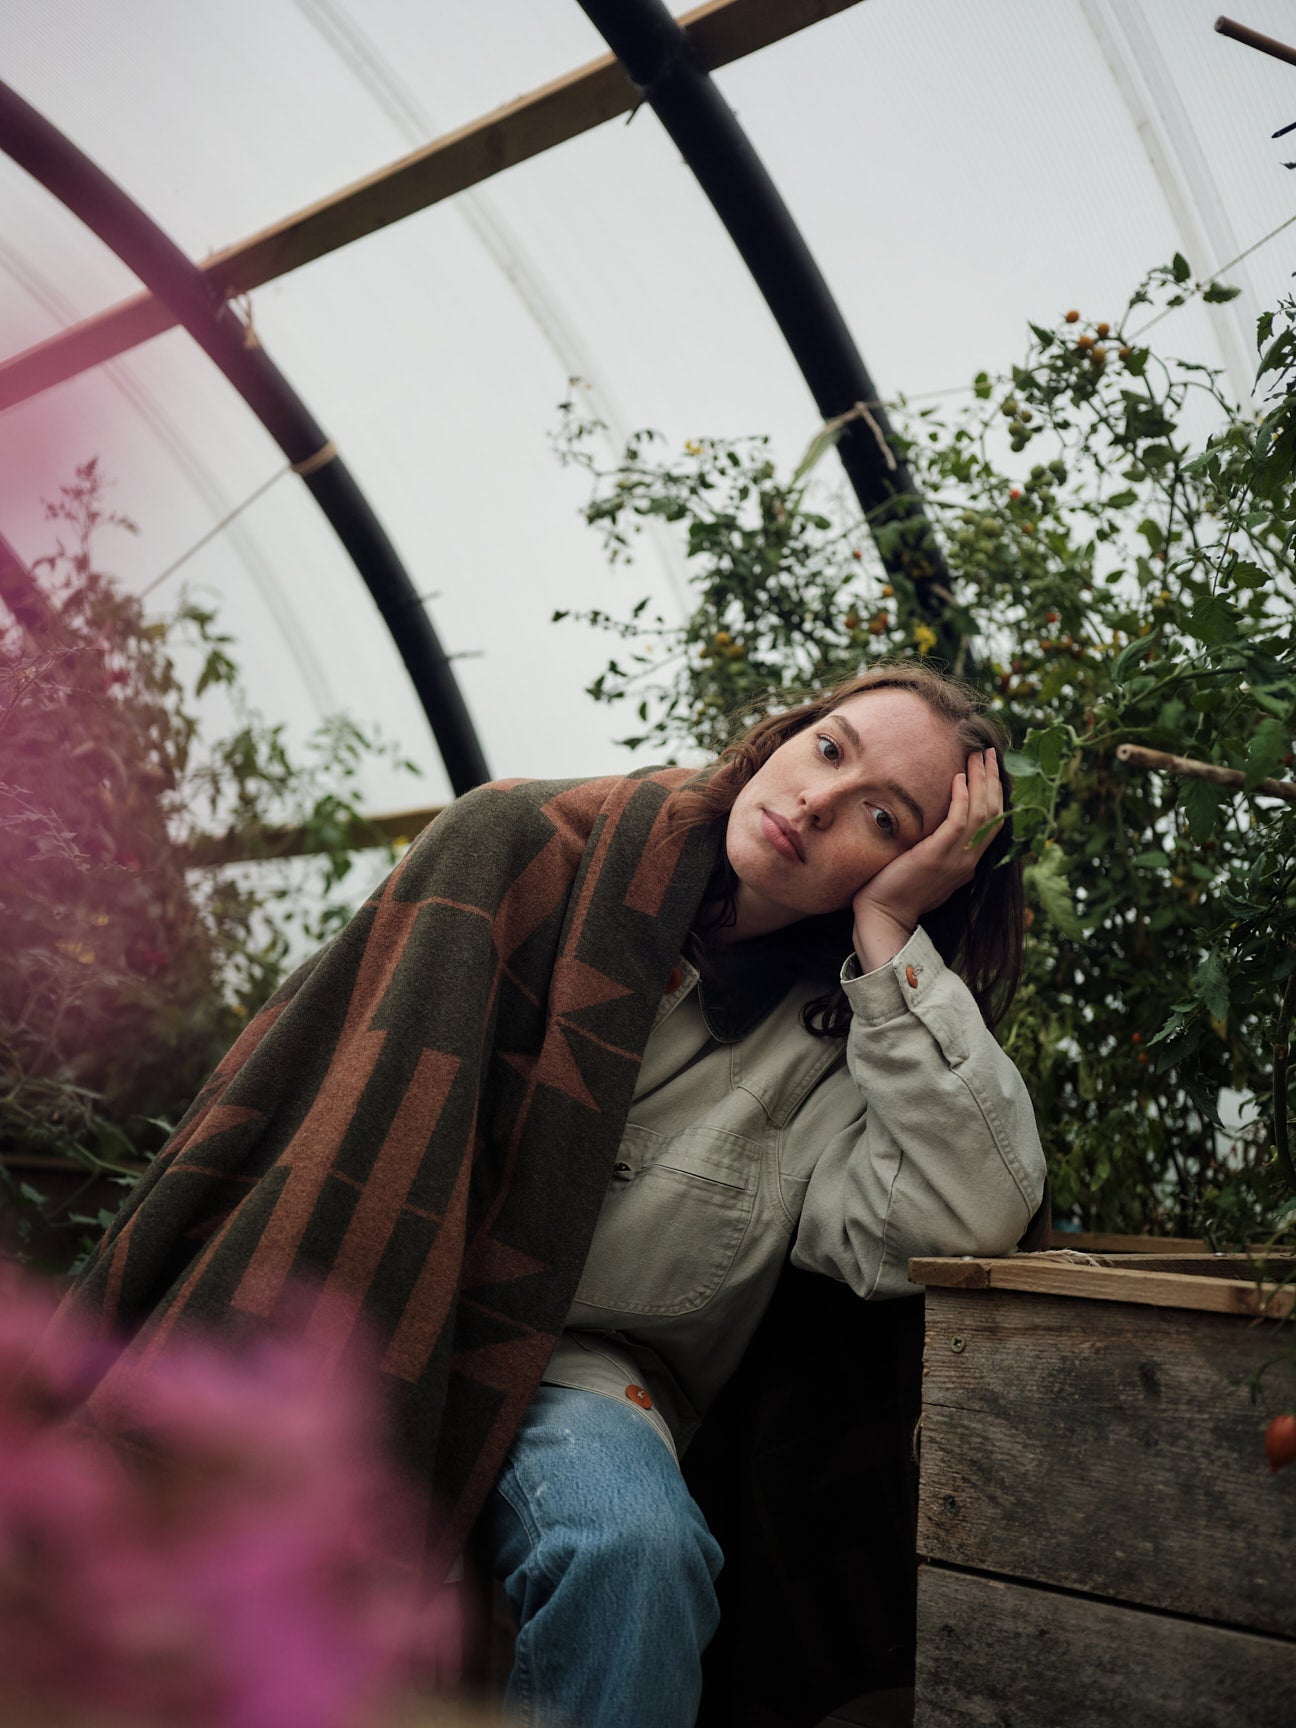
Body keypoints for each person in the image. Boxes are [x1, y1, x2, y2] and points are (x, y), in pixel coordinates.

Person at [64, 659, 1046, 1728]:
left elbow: (971, 1207)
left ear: (918, 873)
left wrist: (891, 942)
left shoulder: (842, 1048)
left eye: (882, 818)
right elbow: (336, 1123)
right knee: (226, 1531)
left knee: (637, 1550)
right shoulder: (524, 846)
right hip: (379, 1305)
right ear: (785, 736)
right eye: (829, 749)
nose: (817, 802)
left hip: (582, 1375)